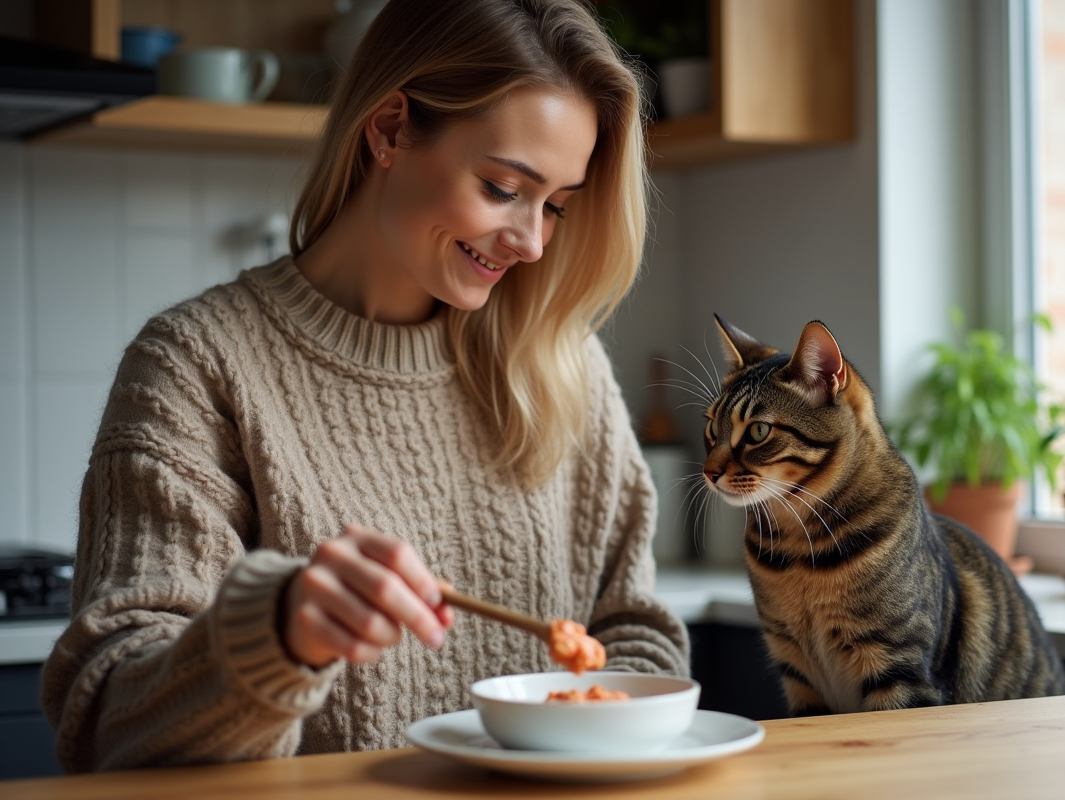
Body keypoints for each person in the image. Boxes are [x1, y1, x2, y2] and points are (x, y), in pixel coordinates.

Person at [41, 0, 689, 773]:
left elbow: (634, 634)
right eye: (500, 187)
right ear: (388, 130)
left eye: (554, 206)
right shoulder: (195, 366)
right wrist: (272, 637)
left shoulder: (562, 363)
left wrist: (603, 725)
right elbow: (109, 723)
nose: (531, 243)